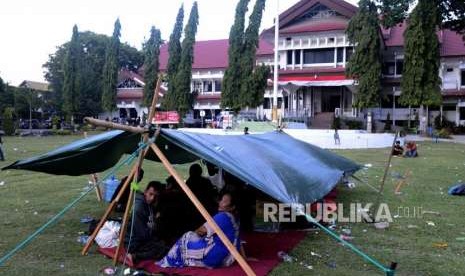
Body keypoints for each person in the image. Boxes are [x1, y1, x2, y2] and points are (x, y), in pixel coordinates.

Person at [157, 192, 242, 268]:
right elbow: (237, 241)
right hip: (227, 258)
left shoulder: (223, 216)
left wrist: (194, 235)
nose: (220, 203)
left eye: (224, 201)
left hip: (215, 257)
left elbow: (202, 230)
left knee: (187, 236)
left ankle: (168, 261)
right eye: (221, 200)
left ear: (232, 207)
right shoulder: (235, 219)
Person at [125, 181, 168, 264]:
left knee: (162, 244)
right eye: (151, 194)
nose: (152, 198)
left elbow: (134, 185)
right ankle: (134, 256)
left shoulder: (147, 201)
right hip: (133, 242)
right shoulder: (139, 209)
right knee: (161, 248)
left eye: (155, 196)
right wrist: (154, 230)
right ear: (146, 192)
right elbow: (142, 234)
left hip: (142, 237)